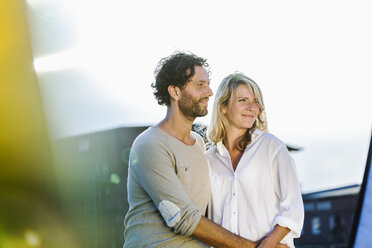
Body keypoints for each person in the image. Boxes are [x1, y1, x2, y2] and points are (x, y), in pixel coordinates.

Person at [123, 52, 288, 248]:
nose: (209, 92)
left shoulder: (200, 144)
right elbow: (181, 218)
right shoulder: (150, 145)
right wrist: (255, 247)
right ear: (175, 92)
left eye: (208, 84)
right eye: (200, 85)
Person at [207, 72, 304, 248]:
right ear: (223, 107)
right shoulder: (208, 160)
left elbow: (293, 208)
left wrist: (265, 246)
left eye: (256, 102)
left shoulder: (271, 147)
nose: (252, 107)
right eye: (243, 100)